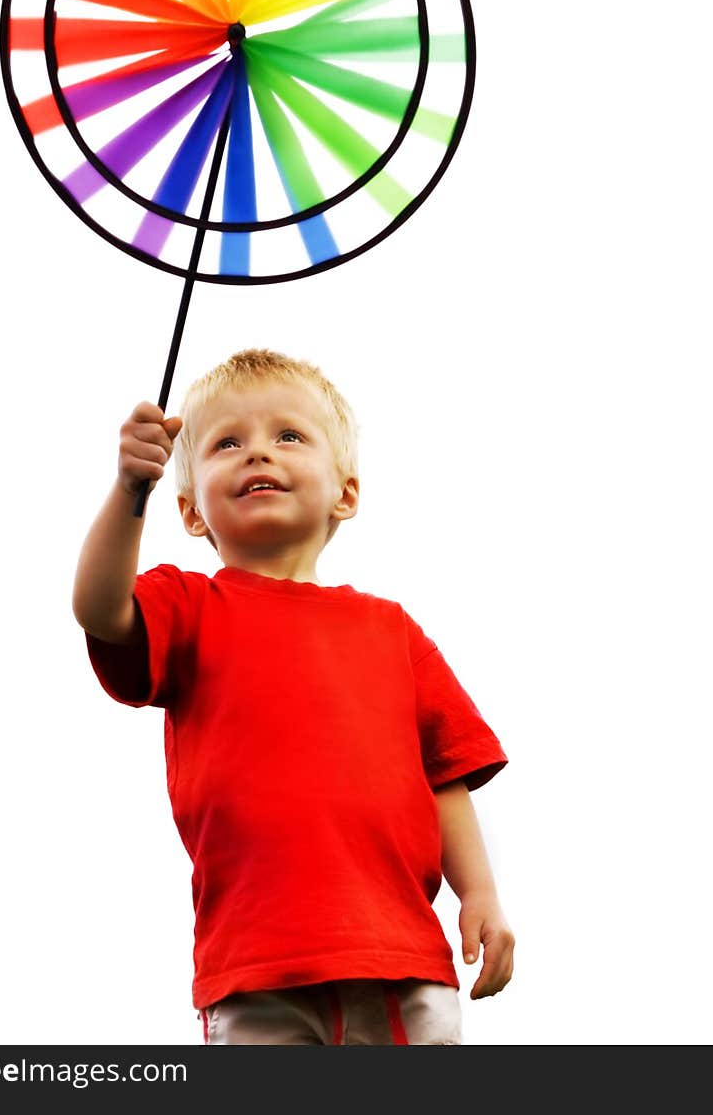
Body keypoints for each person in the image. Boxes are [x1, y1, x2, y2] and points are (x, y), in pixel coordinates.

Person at [72, 348, 514, 1045]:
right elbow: (100, 609)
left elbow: (446, 776)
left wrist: (480, 893)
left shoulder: (393, 631)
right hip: (255, 966)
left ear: (346, 491)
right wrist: (130, 490)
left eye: (288, 435)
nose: (258, 453)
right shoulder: (187, 604)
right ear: (189, 510)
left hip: (399, 957)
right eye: (226, 442)